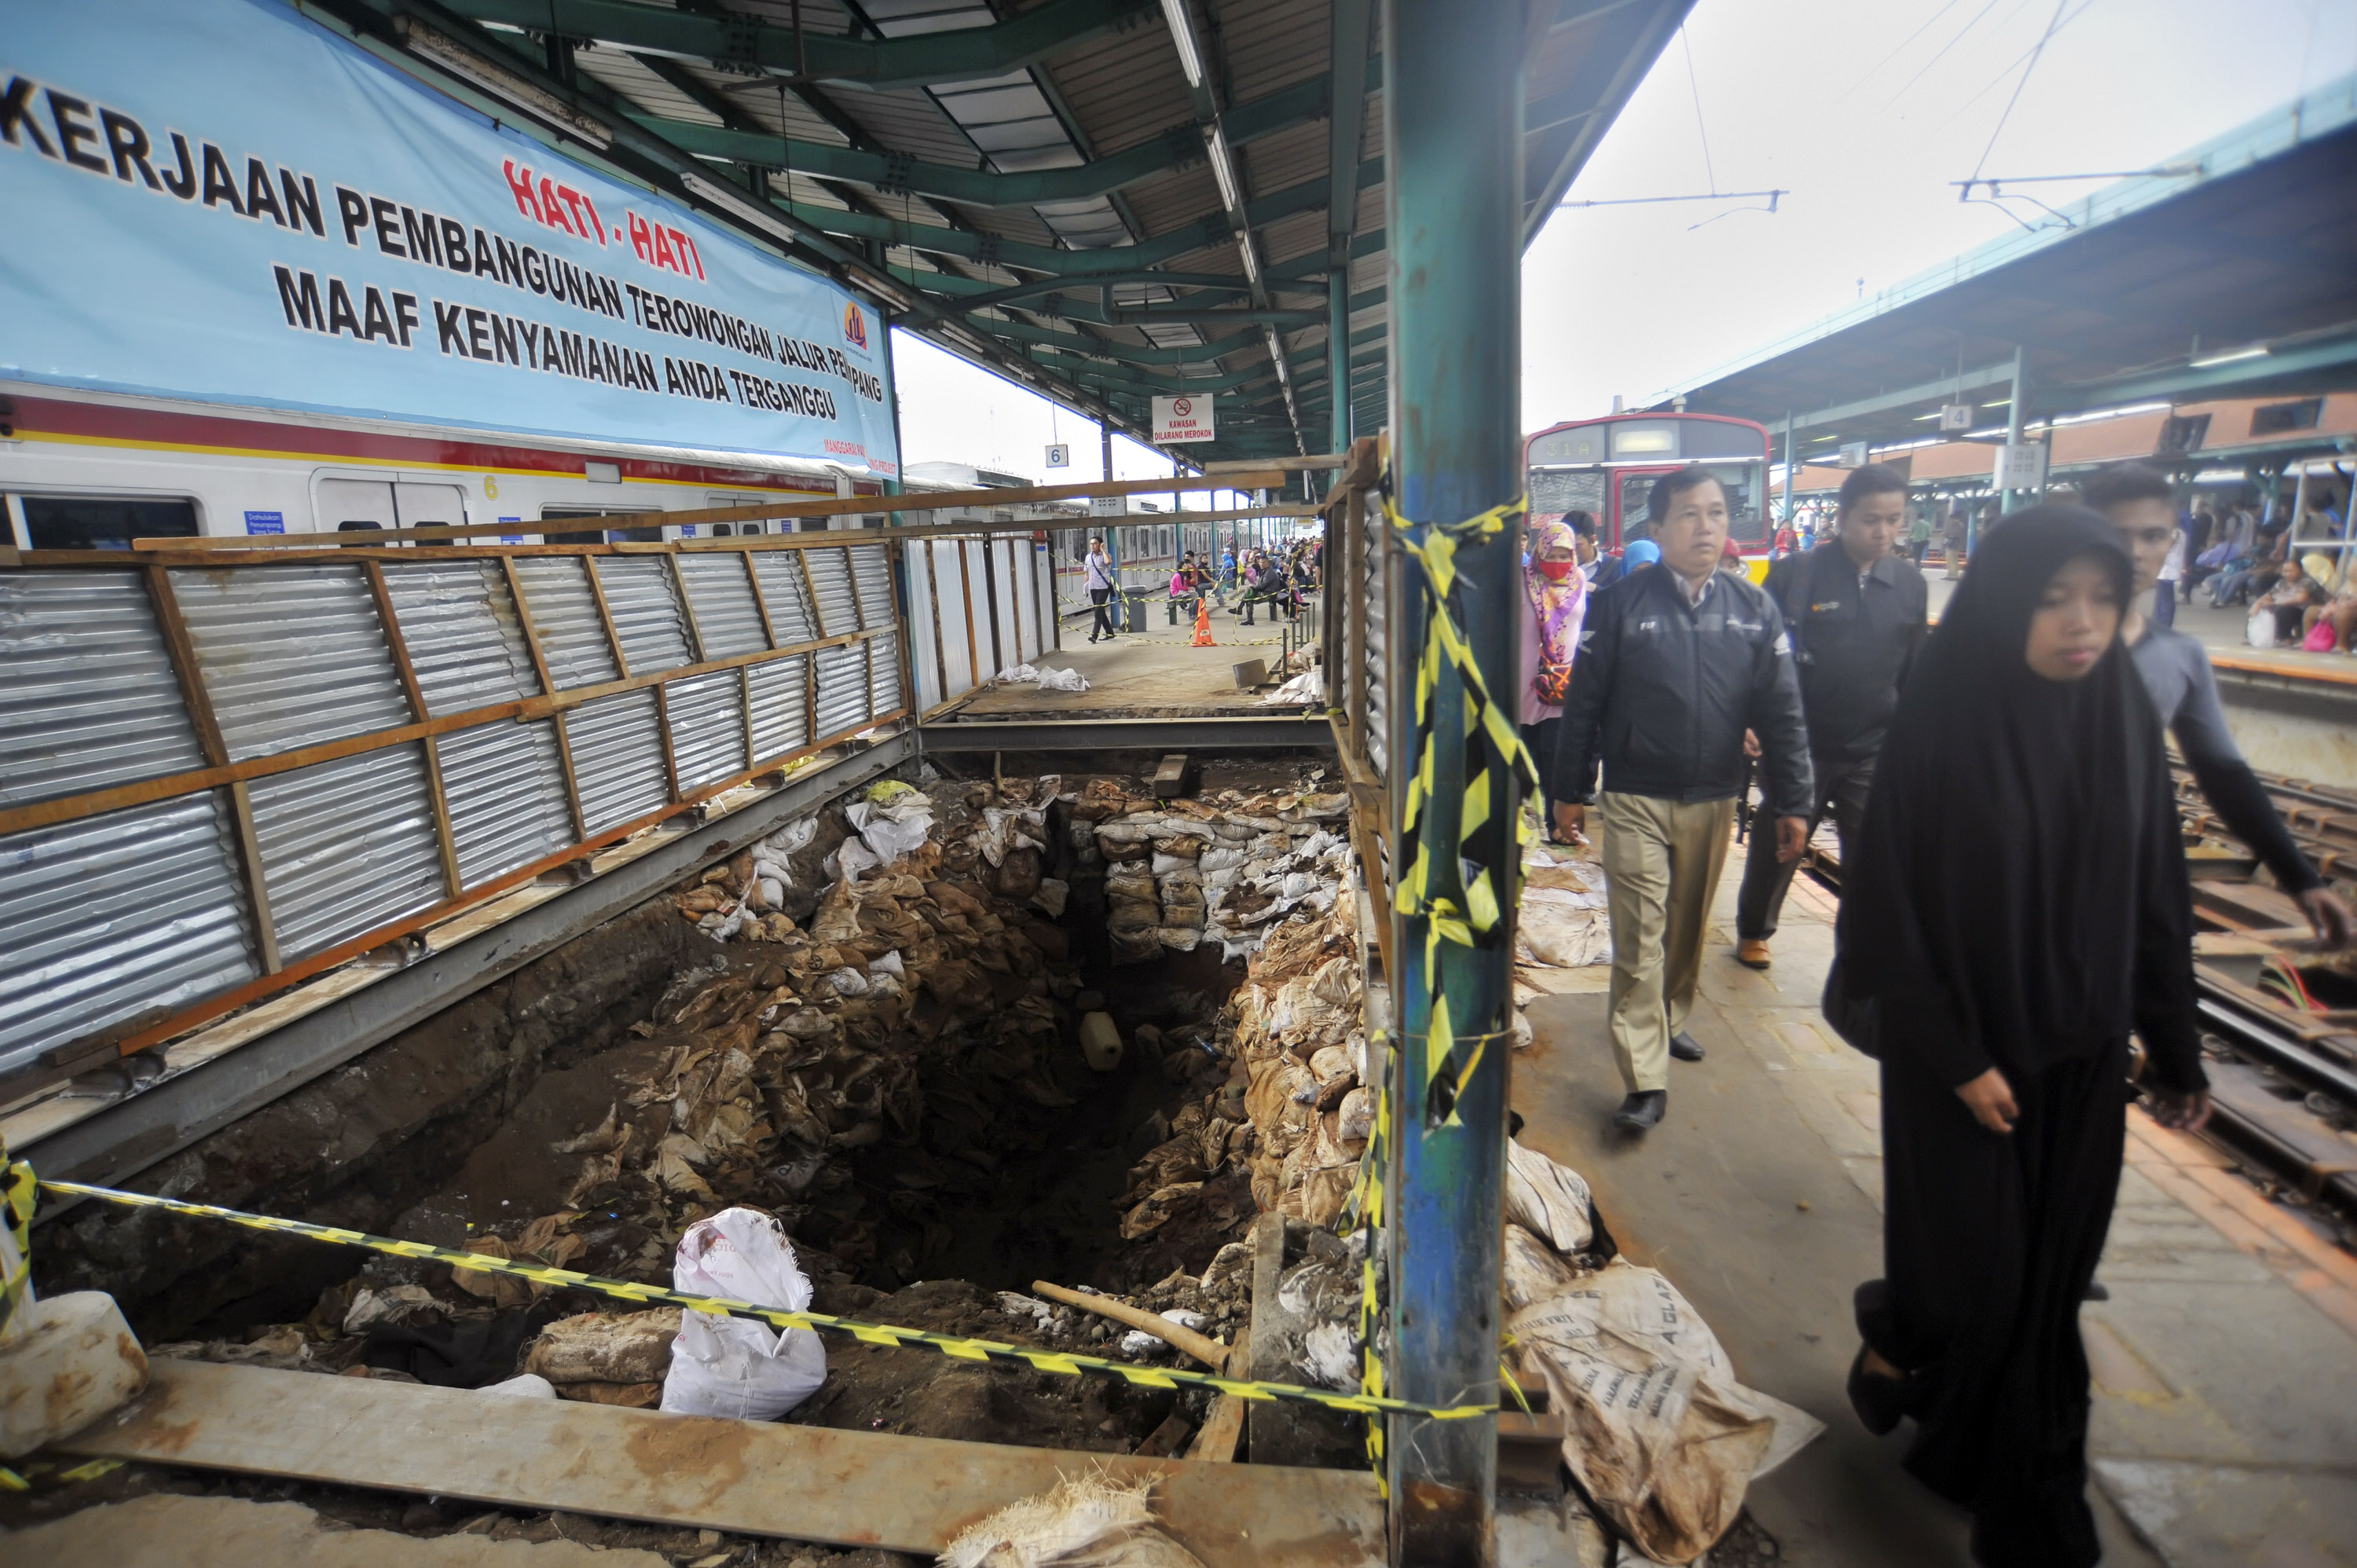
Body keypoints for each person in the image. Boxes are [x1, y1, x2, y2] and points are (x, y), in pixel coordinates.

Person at [1834, 506, 2209, 1567]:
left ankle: (2011, 1481)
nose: (2081, 623)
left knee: (2043, 1299)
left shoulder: (2123, 712)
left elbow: (2157, 894)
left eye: (2101, 597)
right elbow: (1882, 918)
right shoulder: (1945, 717)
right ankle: (2016, 1503)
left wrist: (2175, 1049)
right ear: (2005, 604)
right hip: (1957, 1061)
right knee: (1985, 1291)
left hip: (2081, 1061)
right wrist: (1957, 1061)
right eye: (2053, 600)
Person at [1552, 466, 1813, 1133]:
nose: (1706, 526)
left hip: (1714, 795)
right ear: (1659, 529)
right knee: (1640, 936)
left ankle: (1672, 1018)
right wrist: (1571, 790)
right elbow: (1584, 703)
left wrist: (1795, 801)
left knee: (1687, 928)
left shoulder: (1752, 609)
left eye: (1718, 513)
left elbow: (1781, 709)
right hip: (1637, 792)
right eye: (1690, 515)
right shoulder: (1619, 604)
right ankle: (1645, 1078)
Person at [2089, 467, 2355, 943]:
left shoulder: (2180, 656)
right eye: (2115, 533)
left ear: (2172, 543)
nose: (2134, 552)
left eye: (2152, 536)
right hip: (2017, 871)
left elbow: (2224, 774)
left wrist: (2301, 879)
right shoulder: (2014, 642)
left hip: (2128, 870)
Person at [1734, 464, 1928, 969]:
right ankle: (1755, 929)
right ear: (1841, 518)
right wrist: (1750, 721)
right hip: (1800, 745)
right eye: (1870, 519)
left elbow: (1912, 667)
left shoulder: (1909, 584)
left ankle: (1861, 943)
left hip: (1872, 745)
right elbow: (1757, 654)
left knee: (1872, 855)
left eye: (1894, 520)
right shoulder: (1798, 573)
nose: (1883, 532)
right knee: (1780, 846)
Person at [1520, 515, 1588, 841]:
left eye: (1565, 555)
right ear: (1539, 552)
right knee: (1518, 759)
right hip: (1522, 684)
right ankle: (1514, 825)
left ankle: (1554, 825)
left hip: (1560, 686)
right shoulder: (1522, 580)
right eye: (1552, 555)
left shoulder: (1580, 581)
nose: (1559, 562)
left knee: (1554, 758)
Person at [1083, 536, 1118, 643]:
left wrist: (1103, 550)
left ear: (1100, 545)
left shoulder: (1105, 556)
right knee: (1100, 610)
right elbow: (1087, 573)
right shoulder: (1088, 557)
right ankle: (1110, 632)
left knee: (1098, 611)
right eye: (1091, 544)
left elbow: (1108, 562)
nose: (1092, 546)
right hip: (1093, 587)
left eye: (1095, 544)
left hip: (1103, 587)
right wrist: (1085, 587)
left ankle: (1094, 636)